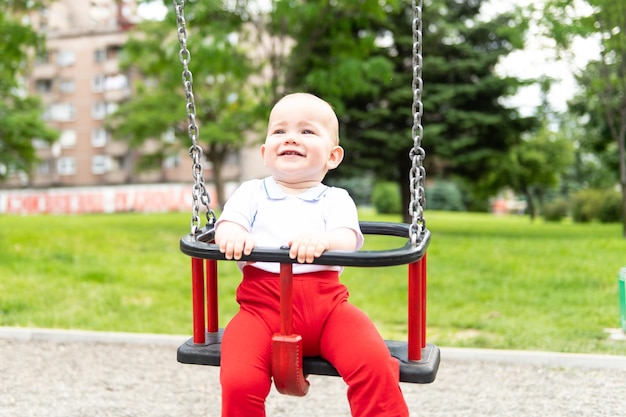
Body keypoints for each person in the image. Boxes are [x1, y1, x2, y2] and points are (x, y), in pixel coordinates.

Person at [214, 93, 409, 417]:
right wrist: (233, 235)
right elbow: (227, 224)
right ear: (264, 153)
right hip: (260, 311)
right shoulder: (250, 192)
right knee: (238, 379)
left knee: (375, 365)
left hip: (328, 310)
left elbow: (347, 238)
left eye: (307, 131)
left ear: (333, 156)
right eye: (279, 131)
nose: (291, 137)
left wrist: (322, 240)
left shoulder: (335, 199)